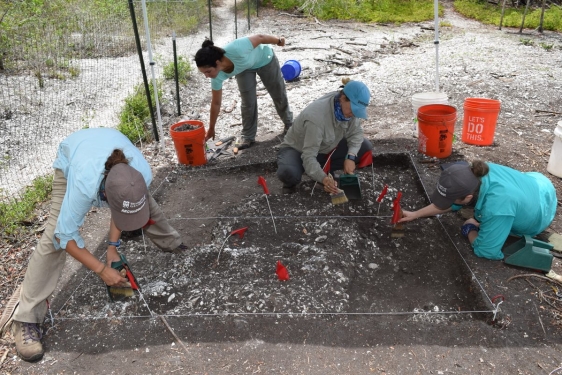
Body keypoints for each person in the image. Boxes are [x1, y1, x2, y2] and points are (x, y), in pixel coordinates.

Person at [9, 128, 187, 362]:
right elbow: (66, 238)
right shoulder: (83, 185)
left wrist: (112, 248)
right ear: (103, 193)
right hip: (74, 157)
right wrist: (102, 270)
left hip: (108, 156)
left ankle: (172, 243)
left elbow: (122, 205)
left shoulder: (140, 174)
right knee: (53, 236)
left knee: (140, 202)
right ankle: (26, 319)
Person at [399, 160, 557, 260]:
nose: (445, 204)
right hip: (540, 183)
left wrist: (469, 228)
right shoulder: (479, 171)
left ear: (468, 197)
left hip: (539, 218)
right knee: (493, 212)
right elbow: (451, 204)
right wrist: (416, 214)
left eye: (450, 199)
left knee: (490, 222)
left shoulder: (497, 207)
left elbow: (487, 251)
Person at [194, 34, 294, 150]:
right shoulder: (216, 77)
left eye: (208, 71)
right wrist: (211, 128)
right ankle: (248, 136)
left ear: (217, 63)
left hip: (264, 59)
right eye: (204, 73)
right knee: (248, 102)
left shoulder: (236, 49)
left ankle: (289, 124)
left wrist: (278, 41)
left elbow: (260, 38)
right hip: (245, 68)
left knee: (278, 94)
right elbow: (216, 103)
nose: (206, 76)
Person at [276, 79, 373, 195]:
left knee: (364, 146)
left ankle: (322, 170)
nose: (354, 114)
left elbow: (356, 134)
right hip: (298, 150)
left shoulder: (346, 109)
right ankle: (297, 179)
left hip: (325, 148)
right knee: (288, 173)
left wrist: (350, 157)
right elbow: (308, 156)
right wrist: (324, 179)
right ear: (343, 98)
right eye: (353, 110)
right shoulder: (316, 118)